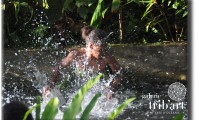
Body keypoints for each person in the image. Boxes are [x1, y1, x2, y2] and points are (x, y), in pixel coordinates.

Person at [43, 27, 122, 98]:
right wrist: (51, 84)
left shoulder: (107, 57)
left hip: (99, 79)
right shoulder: (76, 55)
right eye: (100, 50)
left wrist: (111, 88)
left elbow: (118, 73)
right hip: (77, 78)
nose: (104, 53)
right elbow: (58, 67)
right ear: (91, 46)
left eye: (105, 48)